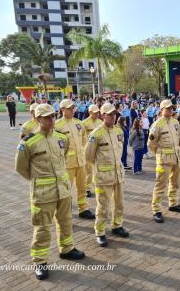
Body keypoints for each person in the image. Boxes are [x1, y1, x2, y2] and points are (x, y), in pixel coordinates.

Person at [15, 103, 85, 280]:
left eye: (52, 116)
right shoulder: (29, 142)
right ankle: (40, 261)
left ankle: (67, 249)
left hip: (63, 190)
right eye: (46, 117)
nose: (50, 120)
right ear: (38, 119)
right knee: (42, 228)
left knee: (66, 221)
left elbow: (64, 156)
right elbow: (21, 168)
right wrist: (38, 181)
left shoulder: (61, 137)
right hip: (43, 193)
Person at [85, 103, 129, 247]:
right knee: (103, 206)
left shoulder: (118, 131)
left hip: (118, 174)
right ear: (102, 115)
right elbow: (89, 156)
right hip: (103, 177)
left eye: (114, 114)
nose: (113, 116)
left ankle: (117, 225)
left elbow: (120, 152)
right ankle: (100, 232)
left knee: (119, 203)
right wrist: (100, 169)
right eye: (110, 114)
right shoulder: (96, 134)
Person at [147, 99, 180, 223]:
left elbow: (179, 136)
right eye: (168, 108)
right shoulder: (157, 125)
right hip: (164, 160)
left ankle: (173, 203)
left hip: (176, 158)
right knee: (160, 185)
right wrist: (159, 155)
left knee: (175, 182)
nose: (170, 110)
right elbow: (151, 144)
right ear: (161, 110)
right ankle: (156, 209)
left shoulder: (175, 122)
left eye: (171, 108)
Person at [55, 99, 95, 219]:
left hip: (80, 161)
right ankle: (65, 211)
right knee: (66, 189)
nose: (72, 110)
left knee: (82, 186)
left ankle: (83, 208)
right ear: (62, 110)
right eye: (69, 108)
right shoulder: (57, 125)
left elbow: (84, 139)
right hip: (67, 164)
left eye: (73, 108)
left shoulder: (79, 123)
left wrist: (83, 151)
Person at [82, 104, 103, 197]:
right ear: (90, 112)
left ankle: (99, 186)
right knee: (88, 170)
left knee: (99, 169)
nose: (97, 114)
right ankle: (87, 188)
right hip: (89, 149)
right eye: (95, 112)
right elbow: (81, 136)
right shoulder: (84, 123)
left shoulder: (100, 122)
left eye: (98, 112)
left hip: (98, 149)